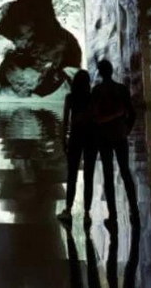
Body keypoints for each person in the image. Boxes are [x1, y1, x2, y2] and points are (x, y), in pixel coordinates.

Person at [92, 59, 139, 231]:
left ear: (100, 72)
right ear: (111, 71)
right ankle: (134, 210)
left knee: (108, 174)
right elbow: (132, 113)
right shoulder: (122, 89)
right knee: (125, 172)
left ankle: (112, 215)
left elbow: (94, 116)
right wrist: (126, 129)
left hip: (104, 136)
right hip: (119, 134)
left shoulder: (97, 90)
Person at [57, 70, 97, 228]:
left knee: (72, 175)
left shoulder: (70, 97)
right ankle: (87, 213)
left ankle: (68, 210)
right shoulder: (92, 97)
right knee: (89, 176)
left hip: (75, 137)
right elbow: (96, 118)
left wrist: (63, 140)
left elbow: (65, 121)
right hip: (91, 137)